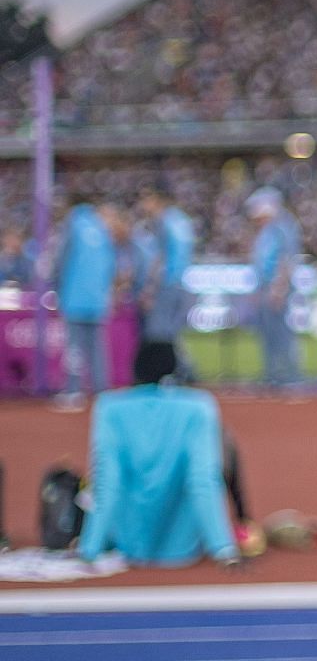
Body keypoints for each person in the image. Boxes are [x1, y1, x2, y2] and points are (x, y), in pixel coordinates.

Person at [76, 340, 242, 569]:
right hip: (182, 548)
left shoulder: (108, 407)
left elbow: (107, 483)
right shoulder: (199, 406)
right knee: (225, 444)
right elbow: (203, 480)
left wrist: (89, 549)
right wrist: (225, 549)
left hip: (127, 544)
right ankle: (241, 521)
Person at [53, 202, 124, 412]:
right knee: (97, 347)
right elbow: (112, 266)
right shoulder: (103, 230)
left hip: (74, 295)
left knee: (74, 347)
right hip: (97, 299)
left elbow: (60, 259)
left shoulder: (73, 224)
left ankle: (73, 390)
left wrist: (57, 285)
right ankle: (101, 389)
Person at [136, 187, 201, 382]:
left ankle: (170, 371)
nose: (143, 205)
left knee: (158, 332)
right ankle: (184, 369)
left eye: (146, 199)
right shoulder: (181, 220)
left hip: (166, 284)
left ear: (157, 200)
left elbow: (160, 258)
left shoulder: (163, 221)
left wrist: (149, 288)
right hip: (180, 282)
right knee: (171, 331)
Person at [245, 188, 304, 392]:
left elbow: (286, 260)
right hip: (266, 288)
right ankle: (272, 375)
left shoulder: (282, 228)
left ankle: (289, 376)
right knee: (268, 334)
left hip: (276, 289)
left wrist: (278, 289)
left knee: (280, 334)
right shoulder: (268, 231)